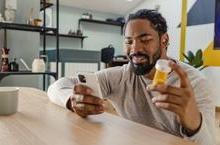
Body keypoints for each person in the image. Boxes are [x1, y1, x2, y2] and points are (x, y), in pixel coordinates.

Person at [47, 9, 215, 145]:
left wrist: (194, 123)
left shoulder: (195, 83)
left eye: (145, 39)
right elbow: (58, 85)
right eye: (129, 41)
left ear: (164, 40)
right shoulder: (122, 75)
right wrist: (71, 100)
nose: (135, 49)